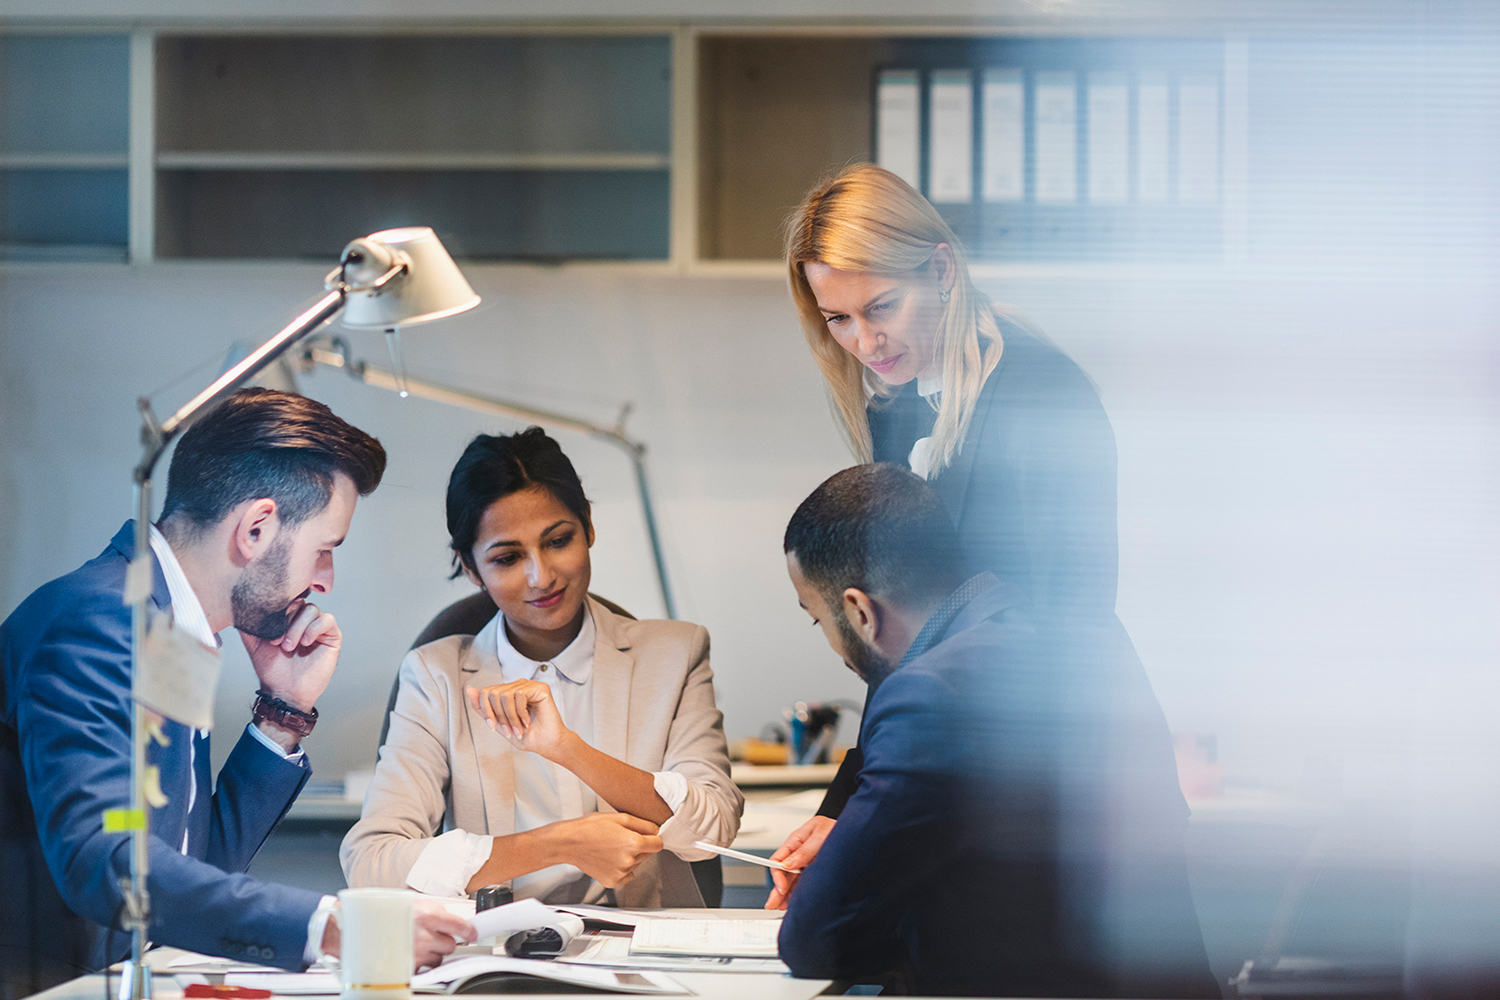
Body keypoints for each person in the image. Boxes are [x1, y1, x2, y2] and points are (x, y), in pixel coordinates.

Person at [0, 389, 475, 995]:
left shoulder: (168, 626)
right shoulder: (98, 619)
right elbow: (105, 859)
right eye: (324, 550)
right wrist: (331, 926)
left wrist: (284, 713)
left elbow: (189, 861)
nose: (325, 580)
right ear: (255, 528)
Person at [771, 161, 1144, 896]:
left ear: (941, 271)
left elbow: (1064, 627)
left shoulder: (1041, 394)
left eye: (881, 306)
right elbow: (900, 640)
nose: (864, 342)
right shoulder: (900, 405)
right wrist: (848, 809)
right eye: (837, 319)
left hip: (1044, 790)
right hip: (956, 774)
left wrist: (883, 811)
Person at [776, 464, 1215, 998]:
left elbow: (815, 940)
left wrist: (849, 867)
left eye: (817, 619)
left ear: (860, 611)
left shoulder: (929, 695)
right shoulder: (1091, 635)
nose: (829, 640)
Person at [341, 428, 742, 907]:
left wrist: (569, 750)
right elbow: (372, 864)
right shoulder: (435, 676)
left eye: (558, 541)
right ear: (471, 570)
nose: (541, 576)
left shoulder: (676, 654)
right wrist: (561, 844)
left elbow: (713, 827)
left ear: (588, 527)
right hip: (496, 956)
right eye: (508, 558)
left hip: (644, 958)